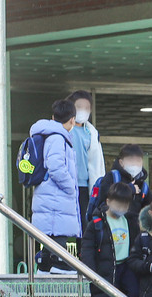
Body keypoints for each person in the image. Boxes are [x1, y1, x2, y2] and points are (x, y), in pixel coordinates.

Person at [81, 182, 139, 297]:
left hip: (126, 266)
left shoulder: (130, 220)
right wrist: (91, 271)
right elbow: (87, 247)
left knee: (134, 294)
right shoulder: (97, 223)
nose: (122, 207)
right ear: (108, 201)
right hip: (106, 269)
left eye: (125, 204)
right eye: (118, 203)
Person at [30, 98, 81, 275]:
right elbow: (56, 167)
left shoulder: (51, 135)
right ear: (72, 120)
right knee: (57, 229)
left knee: (54, 230)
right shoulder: (57, 137)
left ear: (53, 116)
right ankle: (57, 262)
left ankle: (45, 263)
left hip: (49, 192)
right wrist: (70, 188)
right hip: (55, 193)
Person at [66, 90, 106, 244]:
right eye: (79, 106)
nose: (83, 110)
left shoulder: (91, 133)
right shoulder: (64, 130)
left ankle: (84, 264)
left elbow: (98, 164)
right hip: (67, 185)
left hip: (85, 188)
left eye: (87, 107)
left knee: (85, 229)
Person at [90, 143, 152, 218]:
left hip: (134, 227)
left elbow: (151, 207)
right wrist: (129, 189)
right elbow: (104, 199)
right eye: (131, 160)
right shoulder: (112, 177)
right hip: (111, 225)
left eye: (138, 161)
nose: (135, 164)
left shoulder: (143, 186)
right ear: (121, 162)